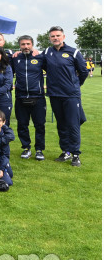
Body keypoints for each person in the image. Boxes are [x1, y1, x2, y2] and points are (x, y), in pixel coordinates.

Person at [42, 26, 88, 167]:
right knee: (61, 124)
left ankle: (75, 154)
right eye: (52, 36)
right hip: (55, 95)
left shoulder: (73, 52)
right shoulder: (46, 52)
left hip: (71, 95)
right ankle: (65, 151)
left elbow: (83, 71)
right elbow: (42, 65)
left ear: (63, 37)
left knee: (73, 125)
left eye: (58, 35)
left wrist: (74, 85)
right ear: (49, 38)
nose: (55, 38)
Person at [12, 35, 46, 161]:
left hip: (37, 97)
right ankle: (26, 147)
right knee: (22, 125)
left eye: (28, 44)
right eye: (23, 44)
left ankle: (39, 150)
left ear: (32, 44)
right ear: (19, 45)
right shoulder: (15, 58)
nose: (25, 46)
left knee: (40, 125)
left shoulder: (40, 57)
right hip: (20, 97)